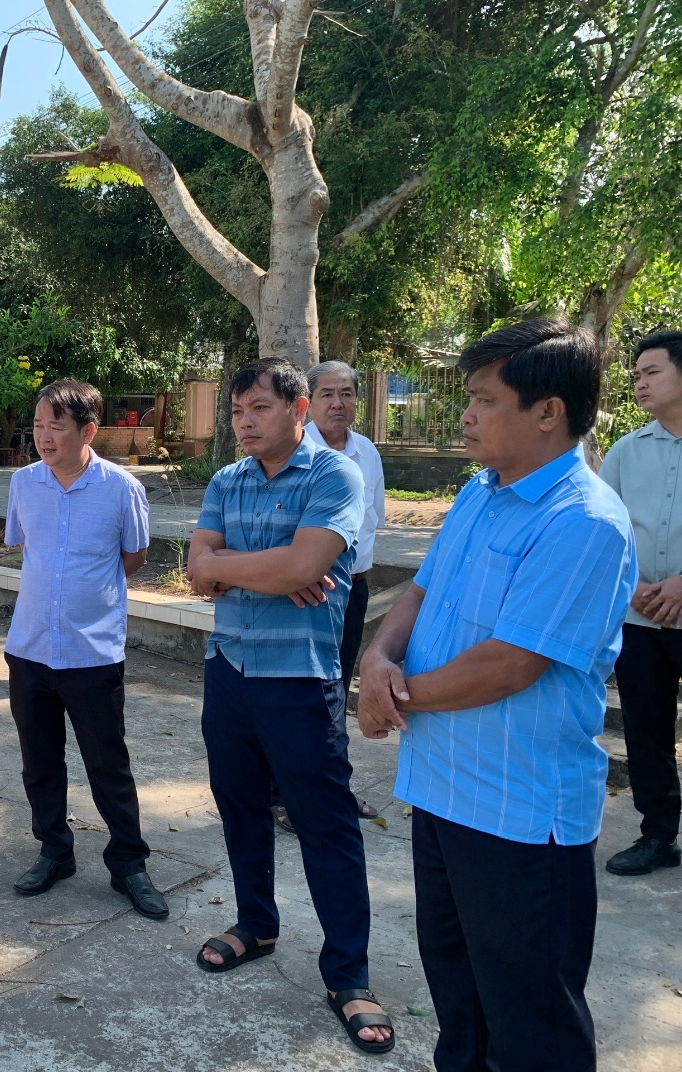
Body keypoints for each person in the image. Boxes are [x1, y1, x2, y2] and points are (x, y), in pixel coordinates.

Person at [358, 320, 636, 1072]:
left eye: (484, 400)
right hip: (441, 791)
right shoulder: (481, 493)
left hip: (518, 814)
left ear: (548, 412)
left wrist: (394, 697)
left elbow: (511, 664)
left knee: (532, 1023)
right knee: (459, 1003)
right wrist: (378, 658)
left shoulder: (582, 521)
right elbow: (422, 589)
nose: (466, 415)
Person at [188, 357, 393, 1055]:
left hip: (301, 679)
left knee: (324, 823)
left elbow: (304, 569)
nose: (244, 423)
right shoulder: (226, 480)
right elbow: (196, 569)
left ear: (298, 410)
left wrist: (243, 567)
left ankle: (349, 974)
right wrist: (270, 570)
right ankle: (256, 924)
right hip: (229, 669)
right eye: (236, 411)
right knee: (239, 804)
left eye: (259, 409)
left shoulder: (335, 476)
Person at [1, 379, 169, 920]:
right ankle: (55, 851)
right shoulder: (24, 483)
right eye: (38, 425)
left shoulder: (122, 488)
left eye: (56, 426)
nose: (43, 436)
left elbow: (133, 556)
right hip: (30, 647)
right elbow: (26, 547)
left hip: (92, 652)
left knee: (107, 764)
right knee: (39, 763)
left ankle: (129, 864)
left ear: (88, 430)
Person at [271, 359, 386, 834]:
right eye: (328, 394)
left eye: (347, 393)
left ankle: (333, 787)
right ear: (308, 403)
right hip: (305, 591)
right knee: (300, 694)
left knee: (335, 689)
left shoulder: (367, 453)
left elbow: (372, 520)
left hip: (351, 590)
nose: (338, 403)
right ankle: (284, 796)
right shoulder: (294, 453)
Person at [600, 329, 682, 876]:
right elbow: (603, 529)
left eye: (651, 372)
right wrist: (629, 587)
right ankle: (658, 836)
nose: (639, 384)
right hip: (639, 618)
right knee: (646, 730)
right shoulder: (627, 451)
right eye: (635, 376)